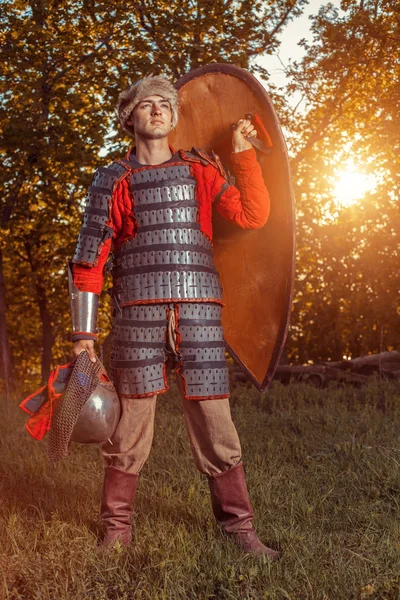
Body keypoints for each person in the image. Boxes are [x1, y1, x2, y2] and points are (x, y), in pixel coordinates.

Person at [70, 75, 280, 560]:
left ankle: (240, 530)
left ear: (173, 115)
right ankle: (116, 531)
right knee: (128, 430)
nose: (159, 110)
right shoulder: (112, 179)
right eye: (147, 105)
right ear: (131, 118)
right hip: (137, 316)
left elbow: (252, 215)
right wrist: (83, 336)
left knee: (216, 422)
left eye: (165, 104)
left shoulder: (200, 172)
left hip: (199, 311)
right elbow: (89, 260)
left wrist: (244, 153)